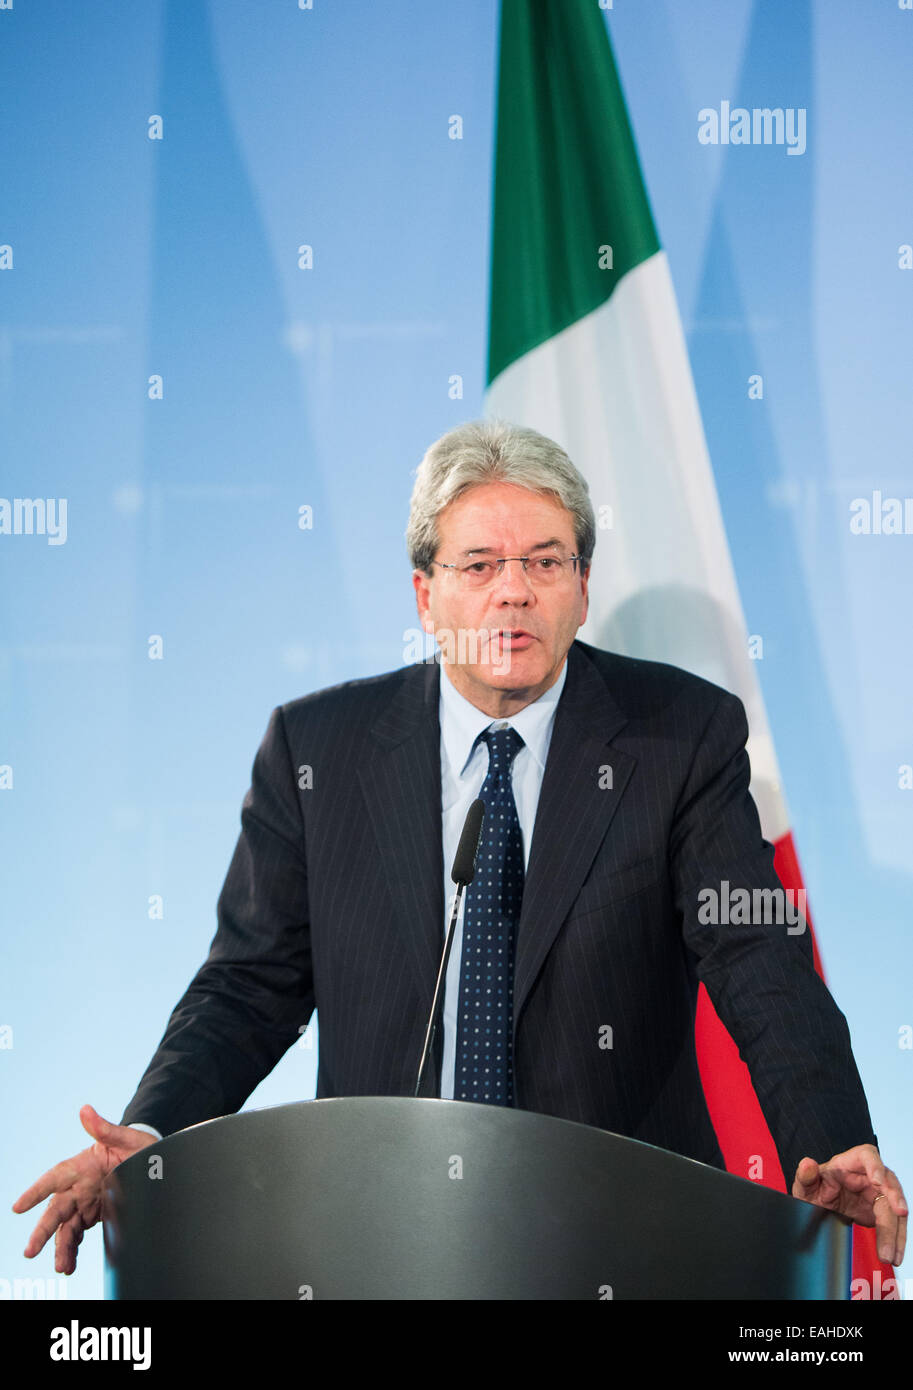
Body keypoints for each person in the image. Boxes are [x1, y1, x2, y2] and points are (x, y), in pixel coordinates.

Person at [14, 419, 907, 1276]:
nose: (511, 590)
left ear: (582, 586)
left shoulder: (678, 736)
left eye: (543, 562)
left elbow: (756, 957)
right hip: (380, 1238)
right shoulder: (317, 748)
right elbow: (247, 987)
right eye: (478, 564)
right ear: (425, 595)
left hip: (620, 1234)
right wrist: (152, 1138)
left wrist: (830, 1136)